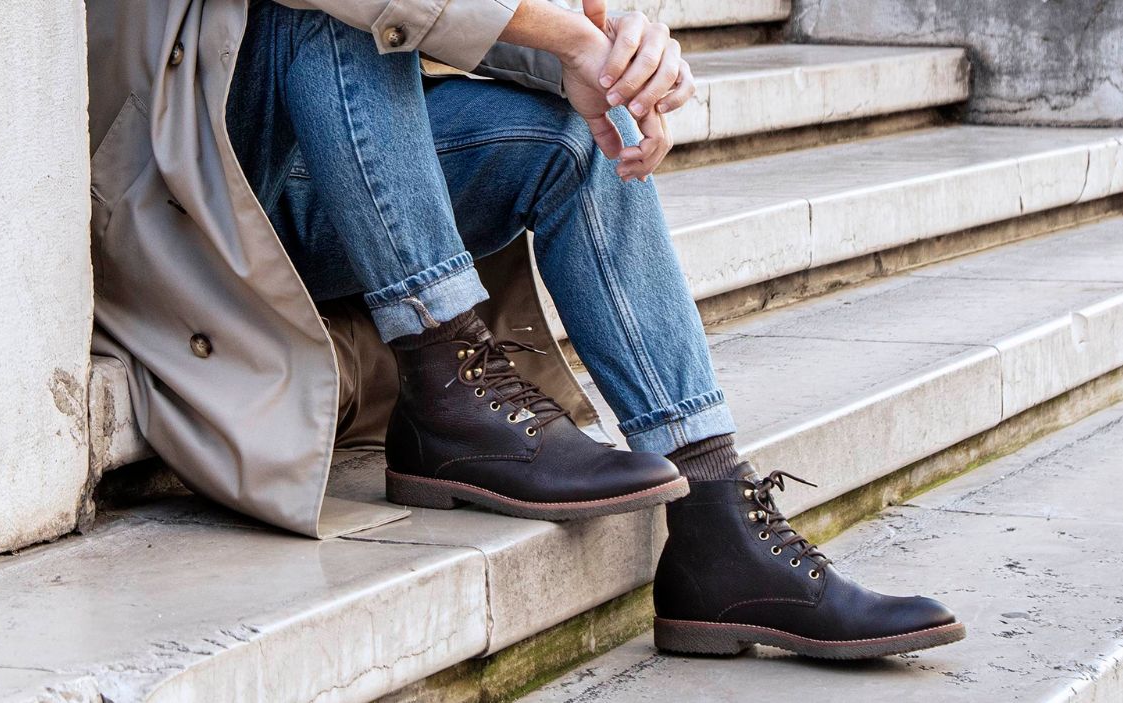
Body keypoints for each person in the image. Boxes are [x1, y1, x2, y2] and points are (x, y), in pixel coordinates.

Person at [216, 0, 967, 659]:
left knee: (581, 130)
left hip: (329, 166)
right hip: (216, 186)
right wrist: (566, 37)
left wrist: (612, 61)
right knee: (336, 9)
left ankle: (713, 514)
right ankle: (444, 369)